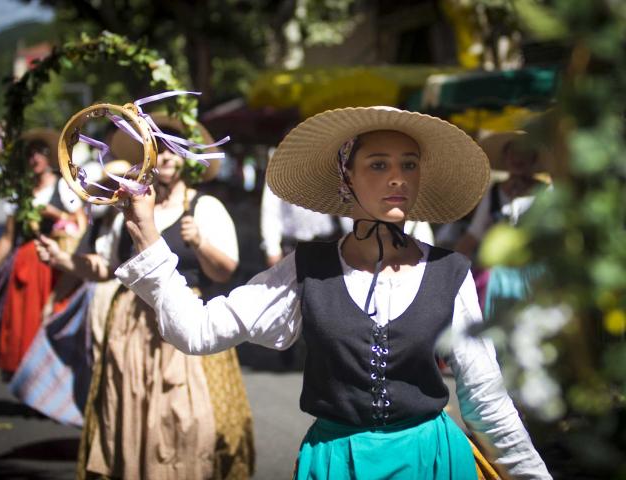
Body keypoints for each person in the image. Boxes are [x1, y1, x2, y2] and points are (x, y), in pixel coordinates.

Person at [115, 106, 552, 479]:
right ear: (347, 176)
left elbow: (486, 401)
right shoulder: (307, 269)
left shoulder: (448, 271)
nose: (397, 178)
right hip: (338, 463)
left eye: (409, 164)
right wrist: (149, 237)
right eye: (379, 165)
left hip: (432, 461)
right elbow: (197, 330)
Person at [38, 114, 255, 479]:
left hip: (186, 322)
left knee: (188, 421)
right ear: (148, 156)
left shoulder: (204, 207)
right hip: (131, 331)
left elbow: (225, 271)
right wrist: (65, 261)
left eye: (175, 149)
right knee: (131, 418)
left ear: (187, 159)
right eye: (160, 148)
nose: (167, 156)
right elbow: (105, 267)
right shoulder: (126, 209)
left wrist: (199, 243)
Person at [0, 129, 85, 378]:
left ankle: (53, 380)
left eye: (40, 152)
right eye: (30, 154)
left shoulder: (64, 187)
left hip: (56, 265)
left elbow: (81, 225)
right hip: (26, 264)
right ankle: (27, 380)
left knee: (52, 318)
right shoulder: (21, 192)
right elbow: (9, 238)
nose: (35, 158)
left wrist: (55, 214)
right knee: (23, 323)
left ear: (48, 156)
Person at [454, 130, 550, 259]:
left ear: (533, 158)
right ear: (505, 157)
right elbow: (474, 233)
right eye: (512, 152)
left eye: (524, 152)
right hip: (501, 271)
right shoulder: (494, 192)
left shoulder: (545, 192)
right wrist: (449, 264)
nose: (517, 157)